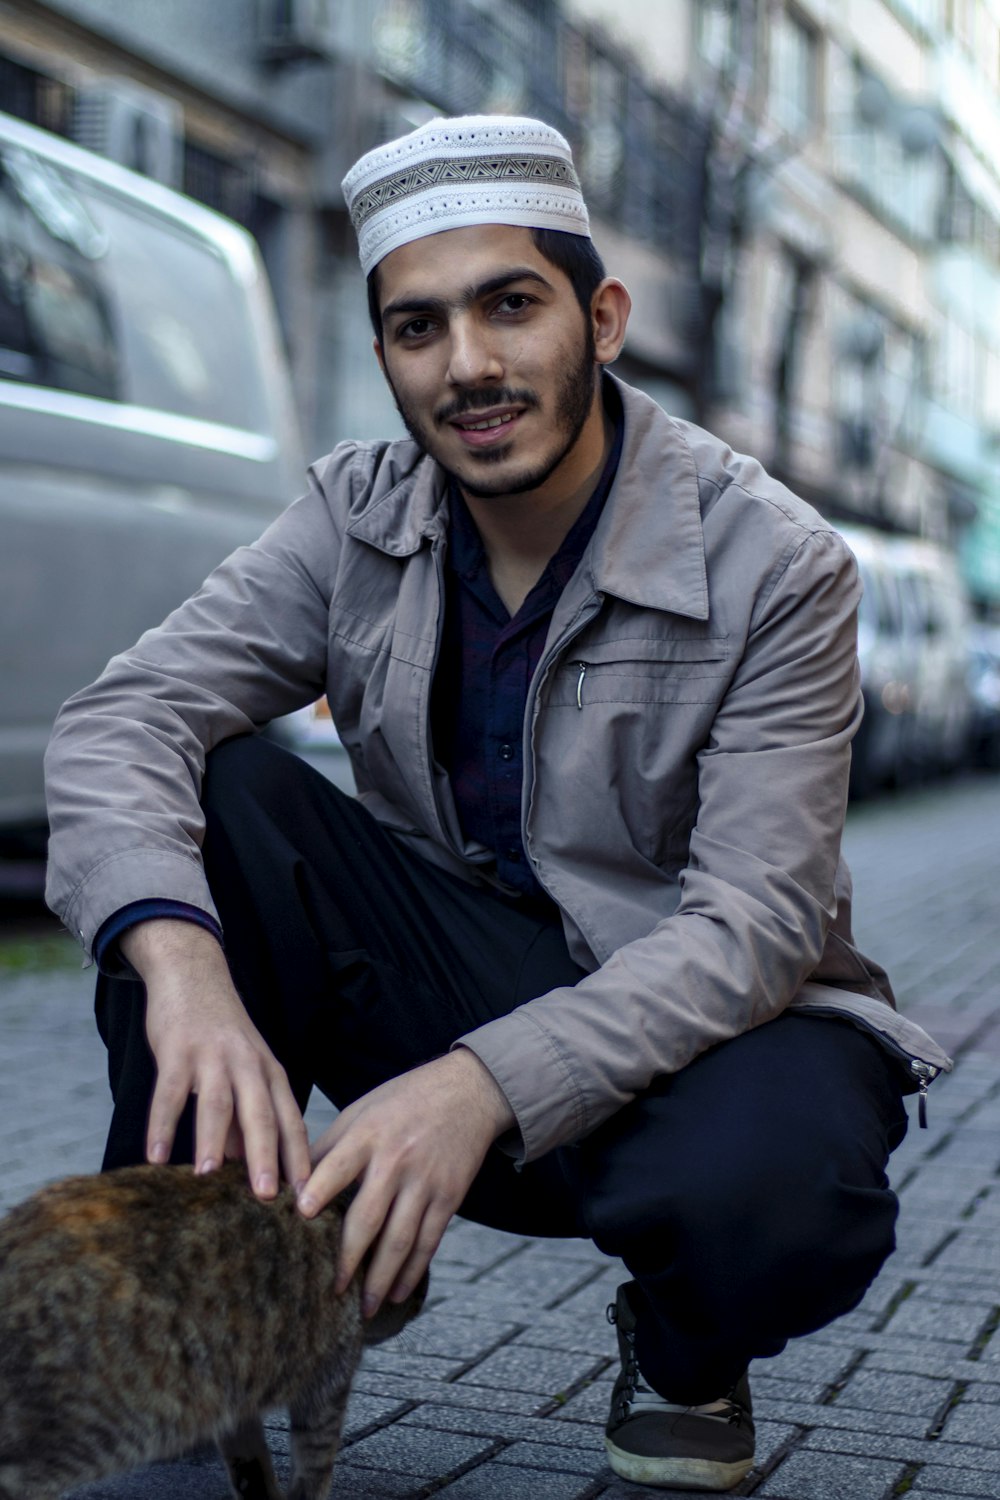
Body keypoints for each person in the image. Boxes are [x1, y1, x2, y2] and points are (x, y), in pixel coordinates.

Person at [44, 115, 950, 1493]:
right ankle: (184, 1338)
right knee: (226, 798)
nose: (467, 365)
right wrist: (180, 968)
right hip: (441, 971)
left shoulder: (778, 562)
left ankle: (687, 1345)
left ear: (602, 317)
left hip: (692, 1031)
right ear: (386, 353)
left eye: (508, 306)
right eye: (417, 328)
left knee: (794, 1181)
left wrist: (475, 1088)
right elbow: (126, 716)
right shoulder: (356, 516)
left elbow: (759, 925)